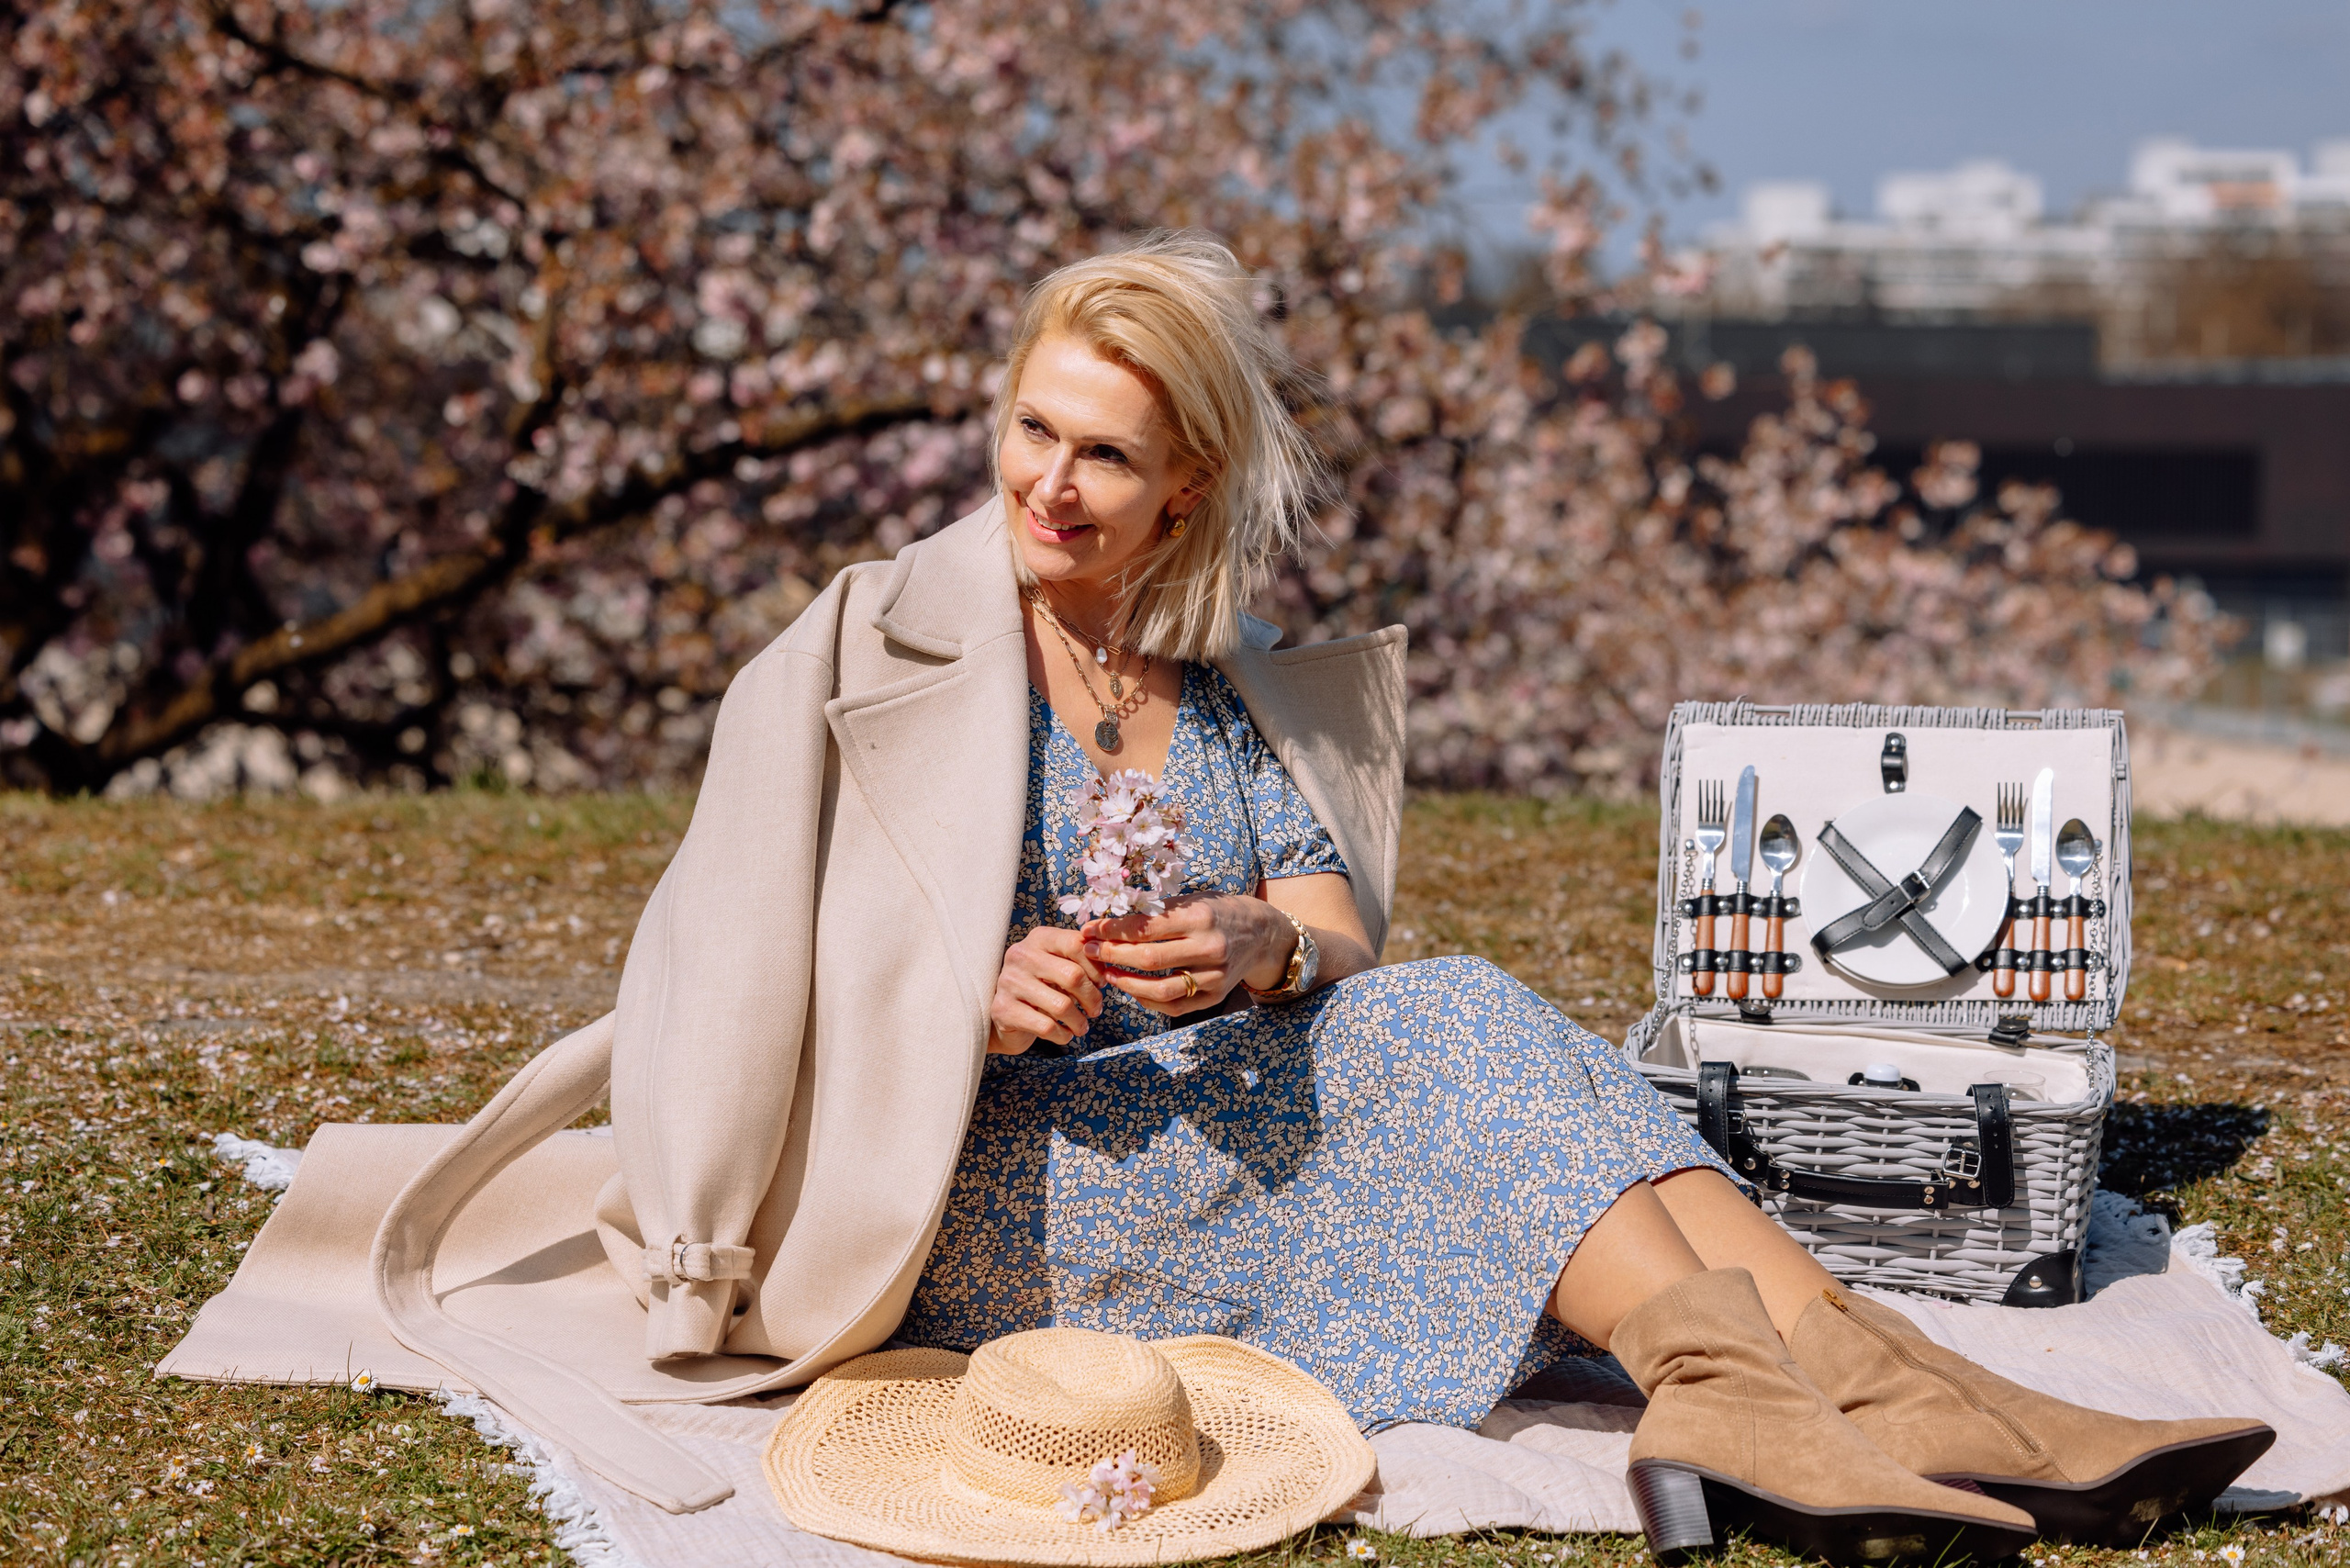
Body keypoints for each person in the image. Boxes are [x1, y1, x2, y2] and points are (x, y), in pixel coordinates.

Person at [879, 232, 2270, 1563]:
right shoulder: (906, 664)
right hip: (1026, 1189)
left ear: (1184, 485)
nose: (1051, 484)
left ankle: (1879, 1383)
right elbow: (784, 990)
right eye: (1033, 432)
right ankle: (1769, 1394)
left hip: (1227, 1111)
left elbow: (1342, 940)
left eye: (1105, 454)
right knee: (1452, 1038)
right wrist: (973, 1003)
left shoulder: (1219, 677)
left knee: (1452, 1007)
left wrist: (1268, 943)